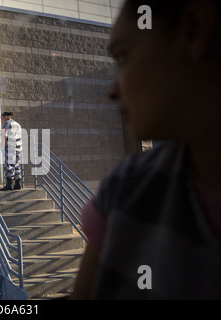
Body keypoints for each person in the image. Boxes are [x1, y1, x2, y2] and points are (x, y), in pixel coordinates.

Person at [71, 0, 221, 299]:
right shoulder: (128, 188)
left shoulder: (132, 191)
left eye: (123, 56)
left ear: (193, 32)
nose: (111, 90)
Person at [0, 112, 23, 191]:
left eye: (1, 118)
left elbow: (4, 135)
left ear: (6, 116)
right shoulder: (17, 124)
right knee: (17, 165)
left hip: (10, 146)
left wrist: (2, 145)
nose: (1, 120)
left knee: (9, 165)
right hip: (18, 147)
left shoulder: (6, 124)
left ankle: (9, 184)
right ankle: (17, 184)